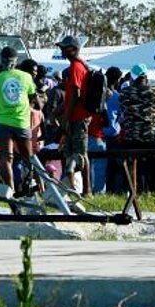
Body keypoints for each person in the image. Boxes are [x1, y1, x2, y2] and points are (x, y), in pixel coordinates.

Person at [0, 45, 36, 191]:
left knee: (7, 158)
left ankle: (11, 190)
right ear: (16, 61)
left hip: (2, 122)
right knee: (28, 157)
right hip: (21, 121)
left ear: (1, 61)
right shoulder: (26, 76)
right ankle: (30, 186)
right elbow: (32, 95)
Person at [118, 63, 155, 192]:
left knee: (133, 167)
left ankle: (133, 191)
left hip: (132, 136)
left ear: (132, 77)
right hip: (152, 135)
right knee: (154, 167)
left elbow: (123, 109)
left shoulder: (125, 92)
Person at [57, 35, 91, 194]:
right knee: (70, 152)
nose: (62, 50)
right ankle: (72, 188)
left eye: (65, 47)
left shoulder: (76, 66)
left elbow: (76, 94)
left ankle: (87, 190)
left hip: (78, 117)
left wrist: (66, 117)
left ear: (74, 49)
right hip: (74, 116)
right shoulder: (76, 66)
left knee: (81, 154)